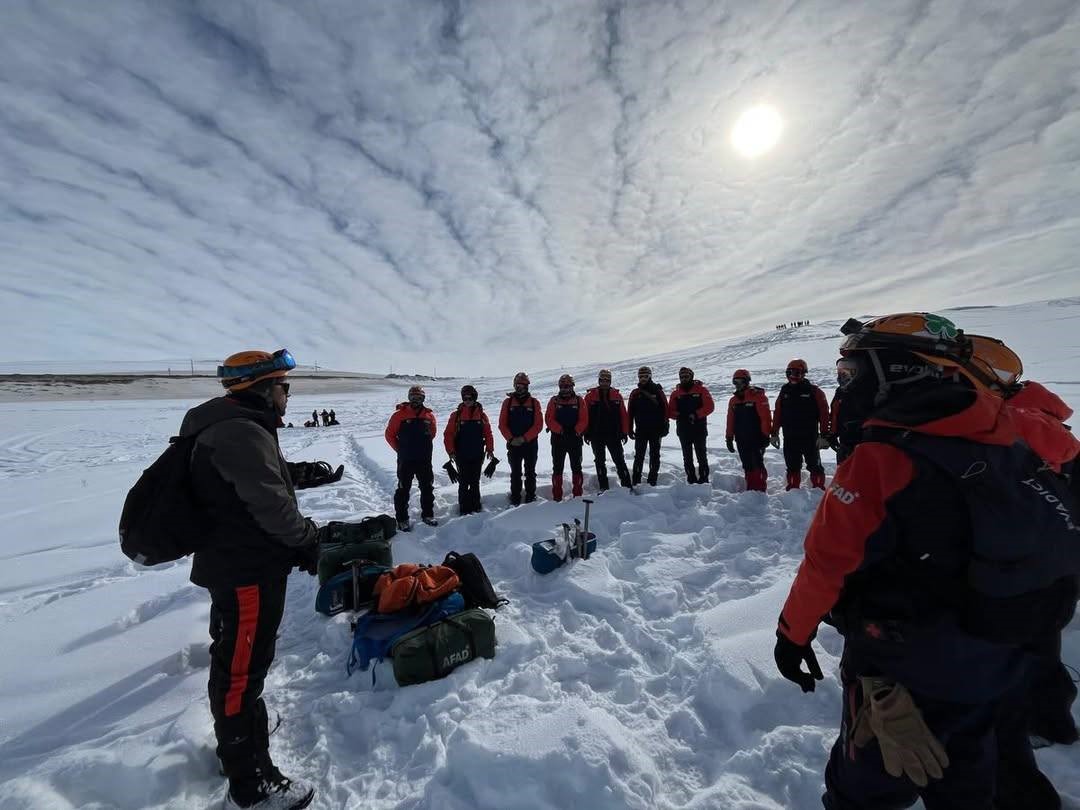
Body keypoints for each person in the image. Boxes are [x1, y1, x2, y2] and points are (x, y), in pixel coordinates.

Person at [773, 313, 1080, 810]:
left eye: (852, 374)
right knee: (973, 784)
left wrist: (792, 636)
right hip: (993, 654)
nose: (847, 387)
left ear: (898, 371)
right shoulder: (1014, 427)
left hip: (900, 667)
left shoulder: (879, 460)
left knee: (863, 789)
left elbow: (825, 564)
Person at [181, 349, 317, 809]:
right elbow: (271, 508)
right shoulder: (240, 430)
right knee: (240, 673)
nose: (287, 394)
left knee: (236, 664)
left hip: (235, 564)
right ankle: (250, 782)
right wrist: (307, 539)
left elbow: (252, 487)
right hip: (246, 571)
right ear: (263, 389)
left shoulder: (232, 424)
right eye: (283, 386)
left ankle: (243, 735)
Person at [770, 359, 830, 490]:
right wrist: (774, 433)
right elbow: (778, 413)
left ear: (803, 374)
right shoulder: (784, 391)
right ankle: (793, 489)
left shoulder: (814, 391)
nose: (792, 376)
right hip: (790, 437)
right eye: (789, 373)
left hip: (810, 437)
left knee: (814, 465)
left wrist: (824, 435)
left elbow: (824, 414)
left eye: (796, 373)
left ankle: (818, 489)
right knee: (792, 465)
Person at [385, 385, 438, 530]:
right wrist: (400, 449)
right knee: (403, 489)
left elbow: (432, 434)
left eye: (419, 397)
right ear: (409, 398)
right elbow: (389, 435)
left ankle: (428, 515)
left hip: (424, 459)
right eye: (413, 397)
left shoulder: (429, 416)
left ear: (423, 399)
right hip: (406, 460)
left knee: (427, 487)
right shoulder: (399, 415)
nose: (416, 400)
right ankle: (402, 519)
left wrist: (423, 446)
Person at [443, 384, 494, 515]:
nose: (467, 400)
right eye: (464, 398)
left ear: (475, 398)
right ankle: (464, 510)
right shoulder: (456, 416)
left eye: (470, 398)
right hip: (461, 454)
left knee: (475, 482)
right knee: (464, 482)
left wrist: (490, 449)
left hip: (477, 454)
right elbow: (448, 434)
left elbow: (488, 433)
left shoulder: (482, 415)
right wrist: (451, 451)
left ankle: (476, 507)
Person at [498, 372, 544, 505]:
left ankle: (531, 497)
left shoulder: (534, 403)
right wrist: (511, 439)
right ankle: (515, 498)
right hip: (513, 444)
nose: (520, 388)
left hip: (530, 444)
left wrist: (524, 438)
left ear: (527, 386)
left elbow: (538, 425)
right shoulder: (508, 403)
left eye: (523, 385)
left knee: (530, 472)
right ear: (514, 386)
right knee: (515, 473)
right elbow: (502, 424)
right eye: (518, 385)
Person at [583, 369, 632, 491]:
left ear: (610, 381)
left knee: (619, 461)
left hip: (614, 434)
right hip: (596, 435)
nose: (604, 382)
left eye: (607, 380)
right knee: (599, 462)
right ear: (599, 381)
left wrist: (624, 432)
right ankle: (604, 488)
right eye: (602, 380)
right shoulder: (590, 397)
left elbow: (623, 415)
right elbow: (585, 416)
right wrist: (586, 432)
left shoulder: (617, 395)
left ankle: (627, 486)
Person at [724, 369, 771, 492]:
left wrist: (765, 435)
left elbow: (765, 417)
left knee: (757, 463)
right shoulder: (733, 400)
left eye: (741, 381)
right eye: (735, 382)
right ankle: (751, 487)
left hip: (757, 437)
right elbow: (730, 420)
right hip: (741, 438)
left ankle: (760, 488)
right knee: (747, 463)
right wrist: (729, 437)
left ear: (747, 381)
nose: (738, 384)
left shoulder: (758, 396)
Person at [667, 367, 714, 484]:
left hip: (699, 428)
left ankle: (704, 480)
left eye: (686, 376)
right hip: (683, 429)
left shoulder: (701, 390)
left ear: (691, 377)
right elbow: (670, 411)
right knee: (687, 457)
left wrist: (696, 414)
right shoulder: (675, 394)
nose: (684, 379)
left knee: (701, 455)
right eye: (681, 377)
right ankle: (691, 479)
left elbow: (710, 406)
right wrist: (679, 415)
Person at [545, 374, 589, 501]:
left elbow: (584, 419)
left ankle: (578, 496)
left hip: (575, 439)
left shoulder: (579, 401)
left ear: (572, 387)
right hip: (558, 440)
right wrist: (561, 430)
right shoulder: (554, 401)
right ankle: (557, 497)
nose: (565, 389)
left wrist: (576, 430)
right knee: (557, 469)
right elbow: (549, 419)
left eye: (567, 386)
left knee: (577, 468)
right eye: (562, 387)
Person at [627, 366, 668, 486]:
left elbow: (665, 409)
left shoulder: (657, 391)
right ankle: (636, 481)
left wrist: (666, 425)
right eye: (641, 376)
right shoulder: (635, 393)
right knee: (639, 456)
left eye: (645, 376)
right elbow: (630, 413)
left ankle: (652, 480)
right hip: (641, 430)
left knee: (655, 455)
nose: (643, 379)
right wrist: (629, 429)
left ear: (650, 376)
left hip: (656, 430)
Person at [828, 358, 868, 465]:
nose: (841, 377)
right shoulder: (840, 392)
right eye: (840, 373)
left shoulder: (866, 391)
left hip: (865, 440)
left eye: (845, 373)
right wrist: (832, 434)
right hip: (845, 440)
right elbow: (835, 413)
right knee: (844, 469)